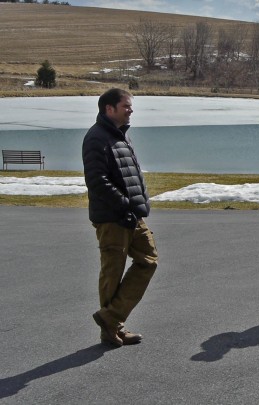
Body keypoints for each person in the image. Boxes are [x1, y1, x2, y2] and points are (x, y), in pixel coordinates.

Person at [82, 88, 159, 347]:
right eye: (126, 106)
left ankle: (110, 318)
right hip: (113, 218)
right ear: (109, 109)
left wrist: (138, 204)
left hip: (132, 215)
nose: (130, 110)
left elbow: (131, 174)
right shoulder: (96, 138)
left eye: (130, 106)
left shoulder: (120, 136)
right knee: (112, 272)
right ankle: (112, 328)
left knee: (148, 261)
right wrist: (125, 205)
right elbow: (97, 181)